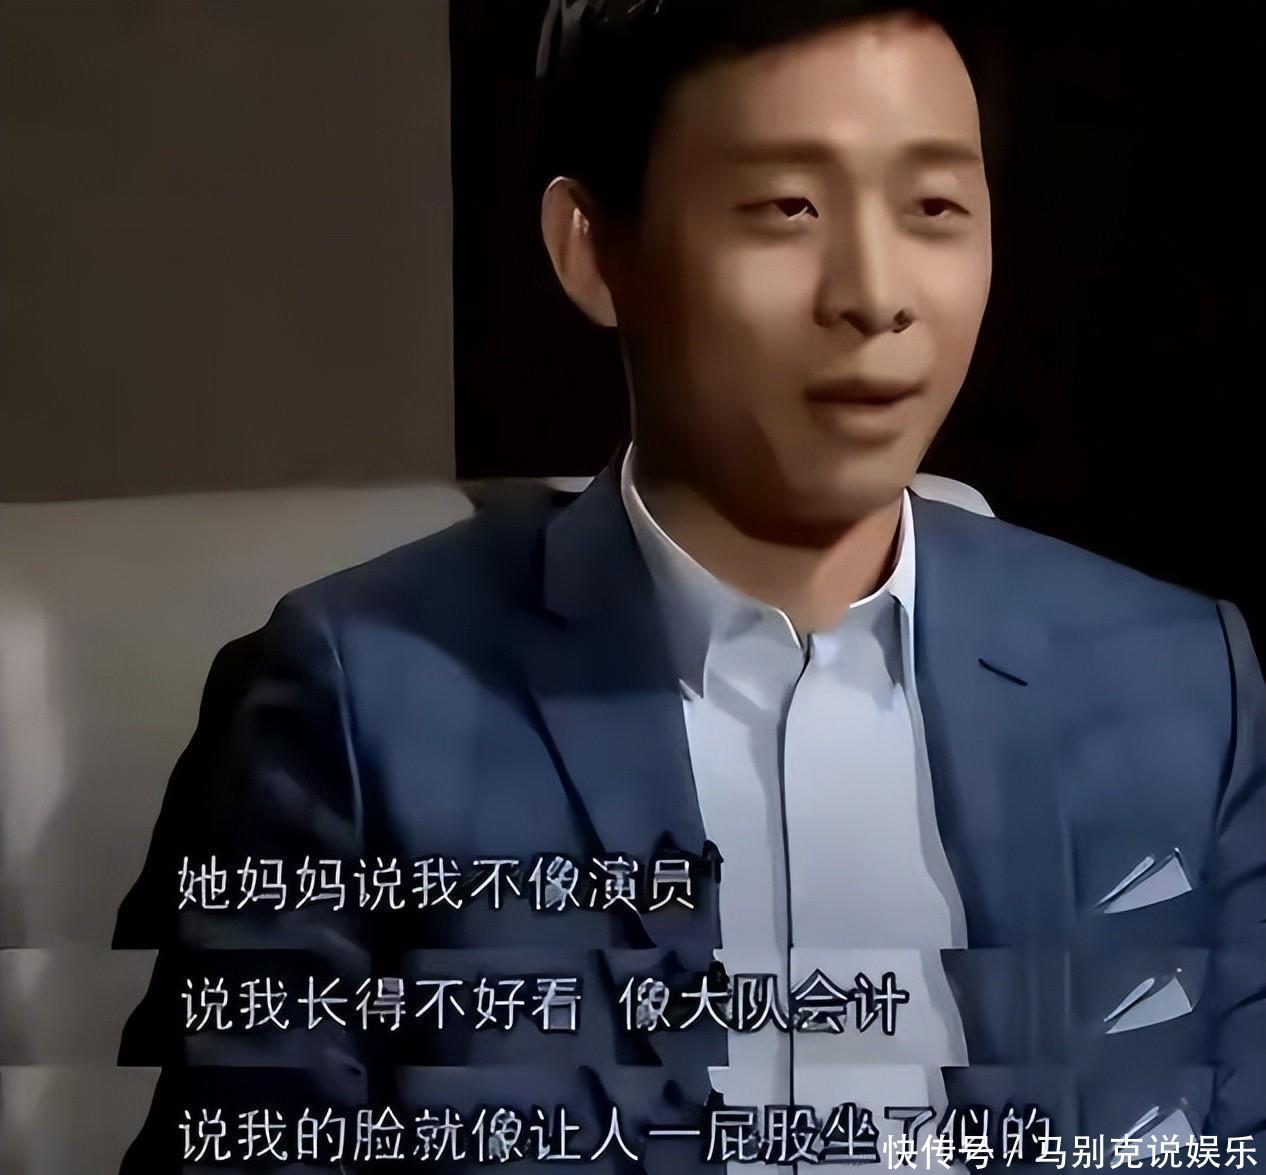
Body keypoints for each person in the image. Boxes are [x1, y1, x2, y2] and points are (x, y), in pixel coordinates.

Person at [116, 1, 1265, 1170]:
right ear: (592, 249)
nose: (876, 295)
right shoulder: (360, 702)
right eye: (789, 208)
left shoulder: (1178, 687)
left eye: (933, 208)